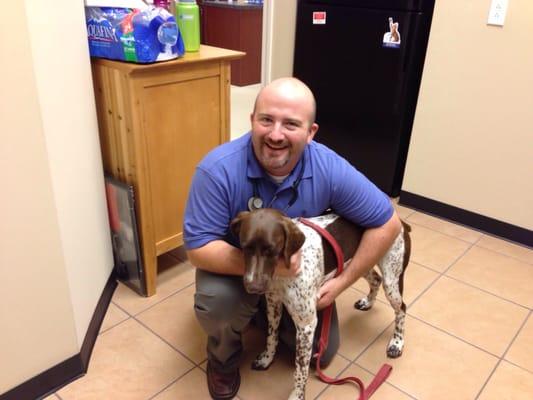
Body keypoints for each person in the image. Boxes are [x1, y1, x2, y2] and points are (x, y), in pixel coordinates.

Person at [183, 77, 401, 400]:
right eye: (266, 120)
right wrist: (267, 270)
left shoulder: (327, 167)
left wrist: (342, 283)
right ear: (252, 120)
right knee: (220, 303)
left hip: (297, 279)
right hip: (240, 270)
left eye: (291, 124)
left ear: (311, 133)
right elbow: (198, 250)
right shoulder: (217, 170)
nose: (275, 134)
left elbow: (389, 223)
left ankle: (262, 313)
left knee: (320, 355)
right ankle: (223, 358)